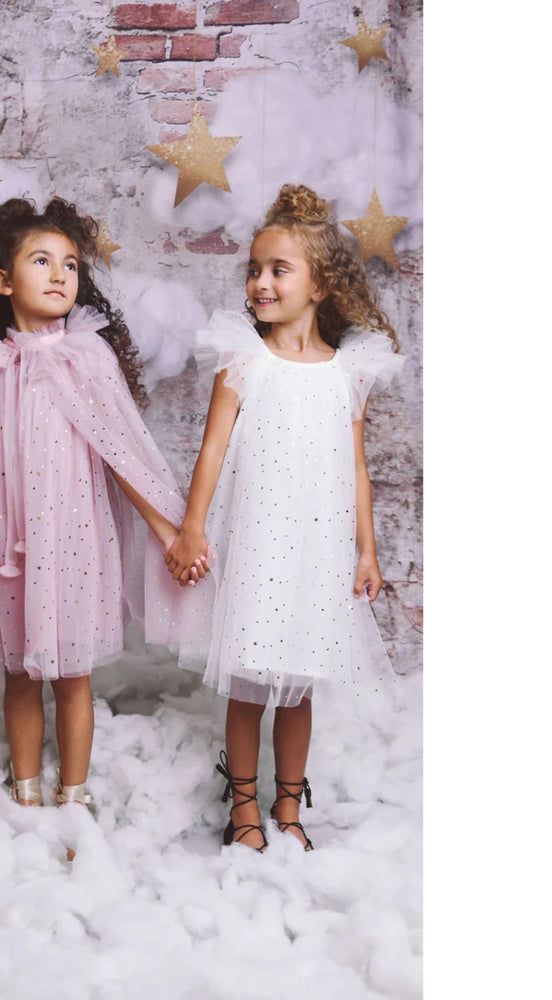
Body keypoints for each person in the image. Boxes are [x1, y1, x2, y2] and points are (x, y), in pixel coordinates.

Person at [0, 196, 205, 817]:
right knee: (19, 673)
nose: (59, 275)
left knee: (73, 674)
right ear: (4, 281)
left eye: (71, 265)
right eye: (42, 261)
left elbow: (122, 453)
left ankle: (73, 795)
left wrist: (168, 530)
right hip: (5, 543)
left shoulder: (86, 356)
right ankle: (24, 793)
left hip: (73, 538)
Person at [165, 184, 404, 852]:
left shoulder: (346, 371)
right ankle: (244, 807)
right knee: (249, 680)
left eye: (278, 270)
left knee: (298, 686)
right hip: (259, 540)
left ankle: (290, 807)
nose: (261, 283)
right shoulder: (245, 360)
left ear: (321, 284)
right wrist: (192, 527)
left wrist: (366, 550)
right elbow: (213, 450)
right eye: (254, 269)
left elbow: (356, 467)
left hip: (317, 547)